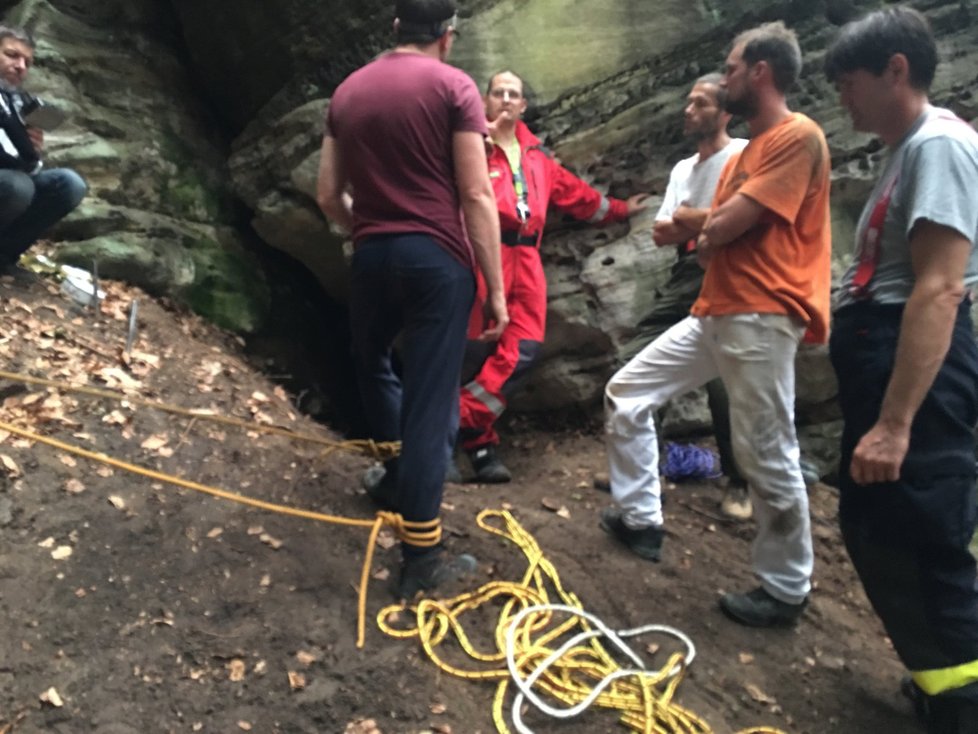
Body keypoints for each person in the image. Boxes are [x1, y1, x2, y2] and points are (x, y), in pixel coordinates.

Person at [601, 21, 831, 629]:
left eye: (730, 69)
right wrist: (710, 225)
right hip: (715, 307)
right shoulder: (747, 154)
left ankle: (786, 588)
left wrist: (706, 224)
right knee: (627, 393)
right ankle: (640, 519)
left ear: (760, 72)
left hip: (761, 312)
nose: (723, 77)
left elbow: (718, 228)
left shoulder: (796, 135)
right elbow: (704, 244)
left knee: (767, 449)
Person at [316, 0, 508, 599]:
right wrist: (496, 288)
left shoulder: (347, 92)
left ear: (396, 27)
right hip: (436, 260)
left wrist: (366, 230)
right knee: (431, 401)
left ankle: (399, 473)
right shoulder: (454, 87)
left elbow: (327, 195)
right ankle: (422, 556)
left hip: (372, 256)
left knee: (372, 360)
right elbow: (476, 194)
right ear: (447, 36)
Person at [825, 7, 978, 732]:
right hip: (882, 356)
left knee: (920, 530)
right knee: (882, 525)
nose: (842, 99)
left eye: (849, 82)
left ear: (895, 70)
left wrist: (895, 425)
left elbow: (941, 287)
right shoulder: (907, 149)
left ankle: (963, 703)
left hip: (916, 377)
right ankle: (943, 685)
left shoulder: (940, 146)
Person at [456, 69, 647, 483]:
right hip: (482, 256)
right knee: (472, 354)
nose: (506, 99)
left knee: (521, 352)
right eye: (498, 93)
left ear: (523, 106)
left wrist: (619, 209)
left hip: (527, 262)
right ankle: (478, 444)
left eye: (514, 94)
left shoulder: (539, 157)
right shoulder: (469, 145)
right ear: (486, 101)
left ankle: (447, 421)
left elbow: (578, 197)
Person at [640, 72, 750, 520]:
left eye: (700, 104)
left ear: (725, 112)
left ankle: (739, 480)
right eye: (688, 102)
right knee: (640, 353)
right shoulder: (683, 169)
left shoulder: (742, 154)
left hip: (728, 267)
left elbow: (744, 215)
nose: (689, 110)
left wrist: (691, 217)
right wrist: (702, 219)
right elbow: (661, 233)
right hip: (685, 269)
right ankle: (644, 468)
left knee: (723, 377)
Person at [0, 26, 86, 282]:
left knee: (69, 184)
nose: (20, 66)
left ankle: (3, 257)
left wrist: (32, 151)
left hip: (12, 179)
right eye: (11, 55)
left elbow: (27, 164)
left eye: (27, 61)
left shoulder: (17, 101)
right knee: (19, 187)